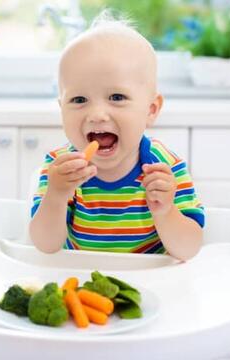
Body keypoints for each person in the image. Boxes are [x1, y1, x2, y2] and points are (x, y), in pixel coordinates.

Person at [29, 13, 205, 261]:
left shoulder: (164, 166)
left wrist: (165, 211)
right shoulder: (60, 168)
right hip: (79, 284)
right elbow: (45, 246)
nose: (97, 115)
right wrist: (56, 196)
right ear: (61, 108)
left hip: (150, 288)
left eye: (116, 97)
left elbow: (189, 250)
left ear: (151, 110)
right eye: (79, 100)